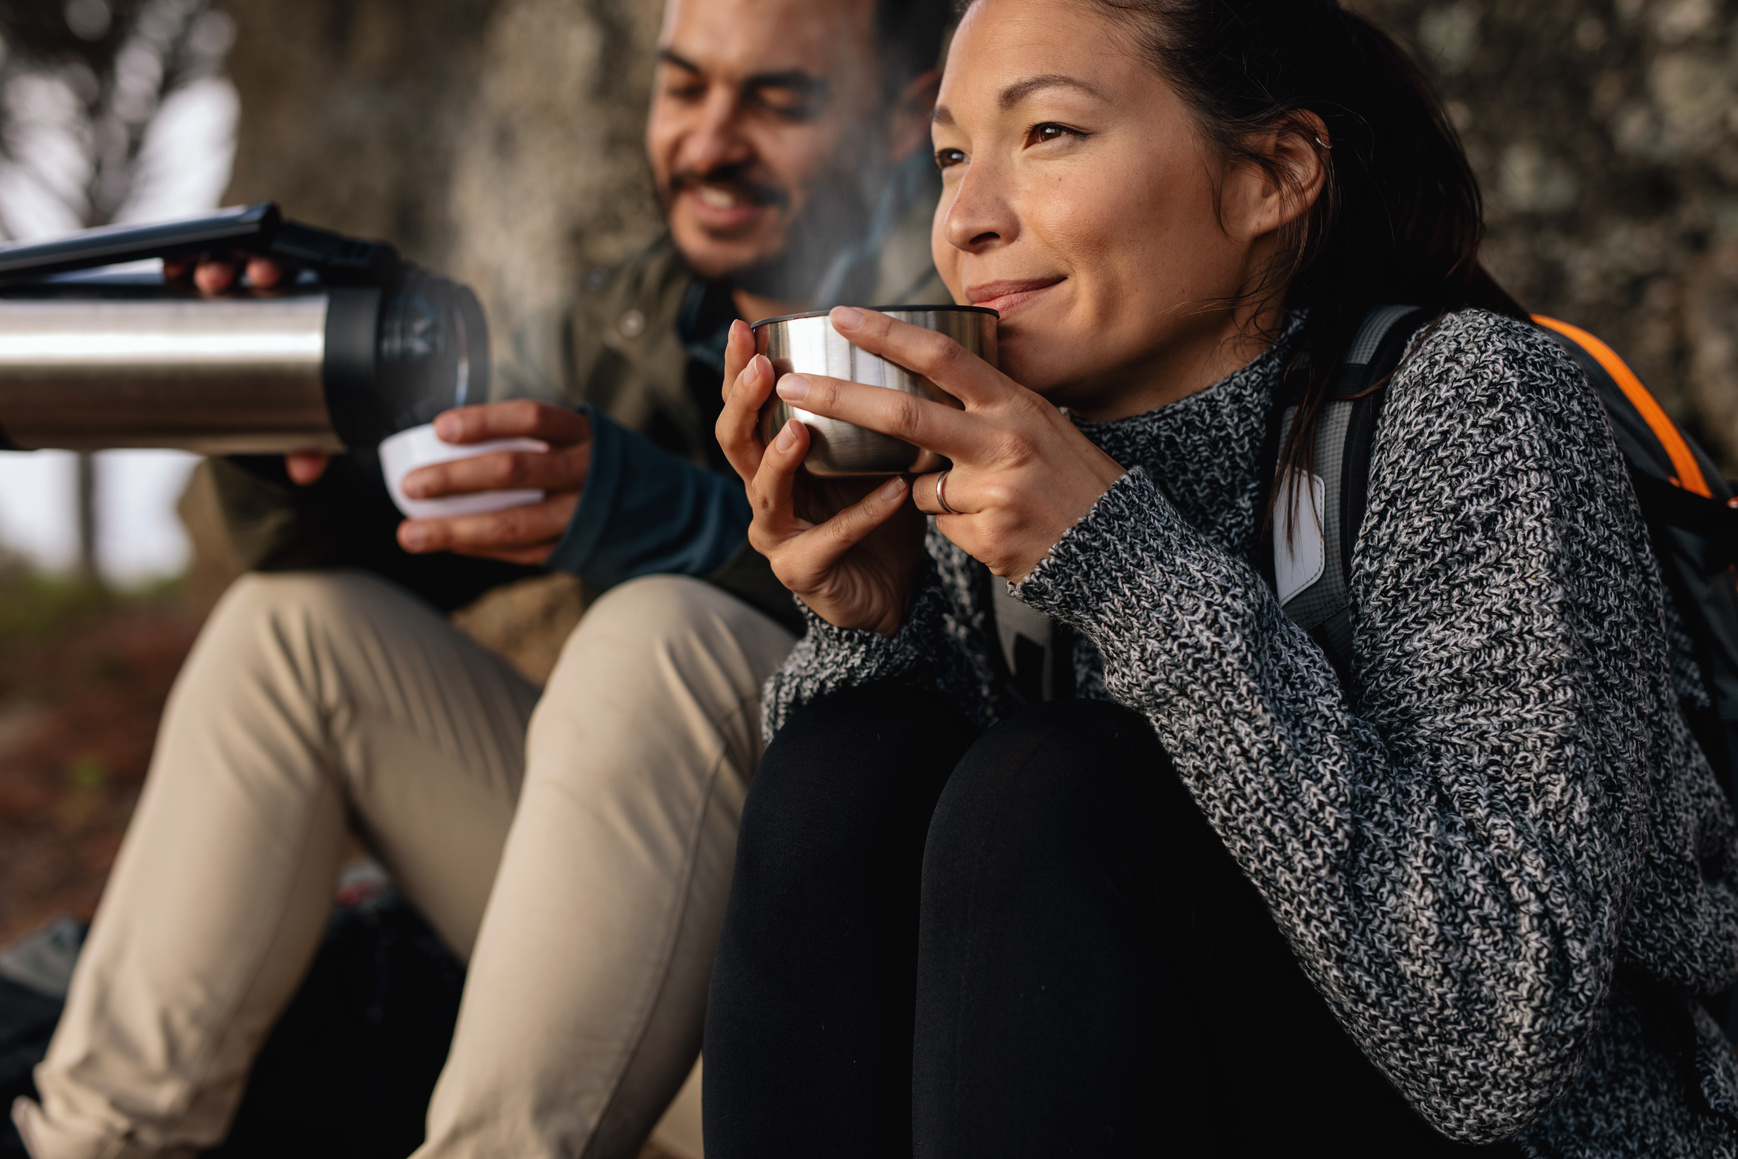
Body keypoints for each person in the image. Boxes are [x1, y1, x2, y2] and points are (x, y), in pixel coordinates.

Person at [706, 0, 1738, 1154]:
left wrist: (1121, 559)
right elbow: (967, 965)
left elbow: (1502, 1038)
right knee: (847, 764)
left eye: (1046, 133)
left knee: (1050, 787)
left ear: (1273, 175)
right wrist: (871, 621)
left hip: (1533, 1127)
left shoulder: (1468, 406)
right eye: (950, 155)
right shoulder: (1006, 446)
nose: (965, 221)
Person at [11, 0, 950, 1156]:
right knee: (296, 631)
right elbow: (386, 534)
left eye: (776, 99)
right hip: (656, 991)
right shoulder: (641, 316)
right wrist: (282, 436)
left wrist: (659, 519)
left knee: (655, 630)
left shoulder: (961, 308)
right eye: (683, 87)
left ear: (910, 118)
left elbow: (987, 644)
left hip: (863, 1036)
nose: (707, 140)